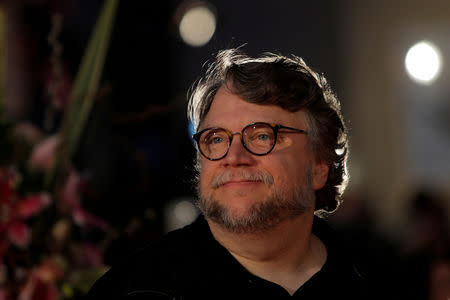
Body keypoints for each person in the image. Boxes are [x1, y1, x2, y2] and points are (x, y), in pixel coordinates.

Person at [87, 48, 367, 299]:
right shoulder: (132, 290)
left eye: (261, 136)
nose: (233, 158)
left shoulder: (386, 283)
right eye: (217, 139)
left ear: (319, 165)